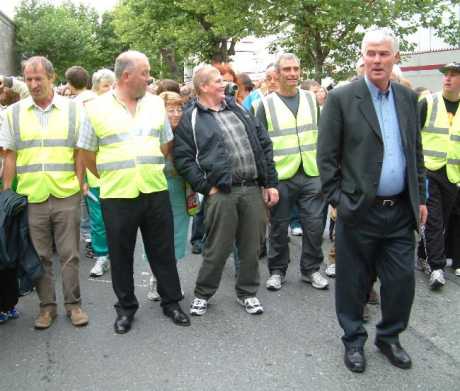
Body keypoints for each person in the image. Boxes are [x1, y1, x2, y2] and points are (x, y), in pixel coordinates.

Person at [318, 28, 427, 373]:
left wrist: (419, 195)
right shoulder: (342, 99)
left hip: (399, 211)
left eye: (384, 54)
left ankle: (389, 337)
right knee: (353, 283)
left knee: (400, 283)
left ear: (395, 57)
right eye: (371, 53)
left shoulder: (407, 99)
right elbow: (326, 158)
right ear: (362, 57)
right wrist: (338, 200)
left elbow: (416, 152)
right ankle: (353, 341)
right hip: (358, 211)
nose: (377, 60)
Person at [78, 50, 190, 334]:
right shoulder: (95, 107)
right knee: (121, 253)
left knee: (162, 250)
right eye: (145, 72)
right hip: (117, 193)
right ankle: (126, 308)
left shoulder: (155, 104)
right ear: (126, 75)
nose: (149, 77)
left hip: (154, 189)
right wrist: (111, 175)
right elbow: (86, 152)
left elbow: (166, 144)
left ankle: (171, 302)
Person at [173, 64, 278, 316]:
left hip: (252, 188)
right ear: (204, 87)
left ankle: (248, 293)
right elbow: (183, 158)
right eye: (218, 81)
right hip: (221, 193)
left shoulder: (239, 108)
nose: (224, 84)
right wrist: (206, 188)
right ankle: (203, 294)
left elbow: (263, 144)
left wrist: (270, 183)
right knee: (217, 248)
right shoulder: (191, 116)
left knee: (252, 246)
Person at [0, 56, 89, 330]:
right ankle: (46, 308)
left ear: (52, 78)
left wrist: (80, 183)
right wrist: (6, 194)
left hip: (66, 193)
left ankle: (74, 306)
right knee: (39, 256)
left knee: (70, 254)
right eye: (29, 79)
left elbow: (80, 152)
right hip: (31, 196)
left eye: (39, 78)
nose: (34, 84)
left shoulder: (74, 110)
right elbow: (10, 156)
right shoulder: (12, 113)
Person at [256, 53, 329, 292]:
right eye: (287, 69)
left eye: (296, 68)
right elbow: (259, 144)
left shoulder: (311, 99)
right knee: (278, 227)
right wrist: (267, 182)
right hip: (280, 175)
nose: (292, 73)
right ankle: (277, 271)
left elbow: (322, 136)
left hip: (310, 171)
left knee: (315, 225)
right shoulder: (265, 105)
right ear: (277, 74)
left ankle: (311, 270)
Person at [417, 62, 460, 289]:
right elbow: (412, 136)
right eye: (446, 74)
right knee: (434, 220)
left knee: (440, 220)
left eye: (454, 75)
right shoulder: (429, 102)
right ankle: (437, 267)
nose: (448, 78)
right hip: (429, 171)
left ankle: (422, 253)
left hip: (453, 175)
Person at [146, 91, 190, 301]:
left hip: (180, 192)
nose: (175, 114)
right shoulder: (151, 133)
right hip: (155, 190)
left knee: (178, 236)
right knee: (156, 237)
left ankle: (170, 280)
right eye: (170, 109)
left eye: (179, 108)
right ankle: (156, 279)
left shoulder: (186, 132)